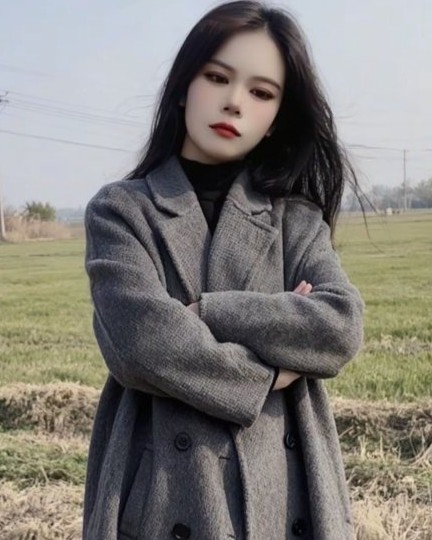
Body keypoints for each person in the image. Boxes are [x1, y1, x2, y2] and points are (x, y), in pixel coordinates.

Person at [83, 2, 364, 539]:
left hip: (285, 481)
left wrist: (208, 312)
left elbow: (339, 326)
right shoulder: (120, 211)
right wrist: (272, 372)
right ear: (184, 87)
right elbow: (141, 344)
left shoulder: (295, 218)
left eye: (261, 92)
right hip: (161, 488)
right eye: (217, 77)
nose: (234, 101)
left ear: (276, 118)